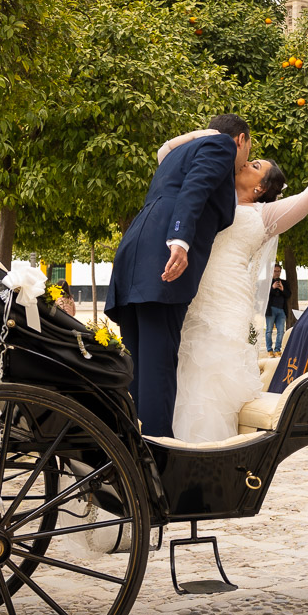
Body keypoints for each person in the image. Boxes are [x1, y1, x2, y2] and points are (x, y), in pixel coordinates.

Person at [173, 134, 308, 443]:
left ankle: (211, 448)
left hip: (227, 301)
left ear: (260, 188)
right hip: (199, 298)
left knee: (215, 375)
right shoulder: (216, 200)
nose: (245, 163)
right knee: (191, 373)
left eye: (255, 165)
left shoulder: (263, 215)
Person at [106, 114, 248, 437]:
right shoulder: (222, 145)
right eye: (248, 151)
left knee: (137, 373)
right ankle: (156, 464)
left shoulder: (175, 156)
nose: (244, 163)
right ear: (241, 139)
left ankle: (130, 454)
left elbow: (163, 150)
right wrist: (180, 240)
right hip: (163, 260)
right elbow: (195, 189)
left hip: (133, 256)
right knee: (157, 373)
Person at [264, 265, 289, 354]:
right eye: (275, 271)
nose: (277, 273)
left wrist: (282, 289)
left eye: (278, 271)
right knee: (269, 330)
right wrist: (272, 288)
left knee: (281, 331)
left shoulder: (284, 283)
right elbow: (264, 296)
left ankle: (277, 349)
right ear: (272, 271)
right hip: (271, 310)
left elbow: (288, 295)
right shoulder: (267, 283)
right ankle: (269, 350)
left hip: (281, 310)